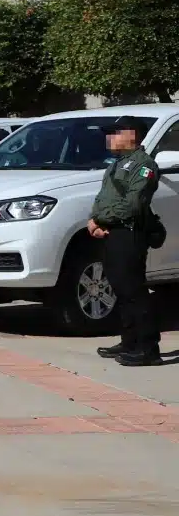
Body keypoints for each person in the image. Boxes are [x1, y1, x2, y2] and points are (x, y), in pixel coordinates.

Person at [89, 117, 163, 366]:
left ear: (132, 134)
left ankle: (148, 347)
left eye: (114, 133)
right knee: (120, 289)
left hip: (129, 233)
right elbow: (103, 198)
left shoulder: (144, 166)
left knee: (134, 291)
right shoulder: (117, 164)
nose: (109, 138)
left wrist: (101, 219)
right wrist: (95, 222)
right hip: (112, 232)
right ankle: (129, 340)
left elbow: (133, 204)